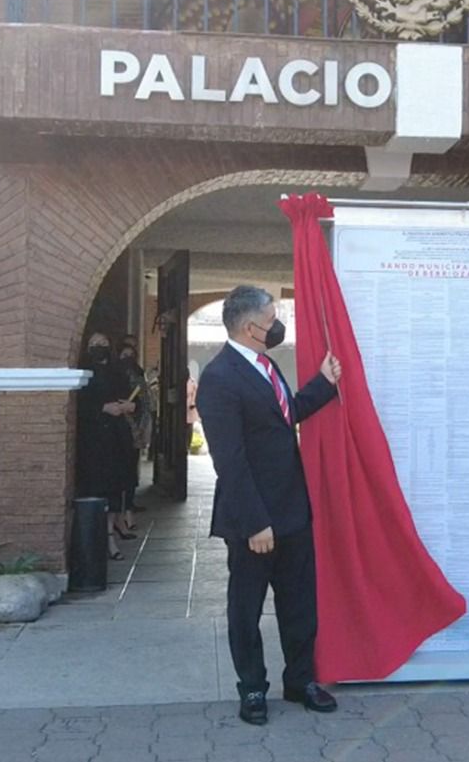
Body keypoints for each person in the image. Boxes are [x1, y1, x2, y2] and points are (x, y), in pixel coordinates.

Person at [196, 285, 343, 725]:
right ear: (249, 327)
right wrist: (256, 522)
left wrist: (324, 383)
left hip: (291, 509)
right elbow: (230, 460)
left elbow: (286, 414)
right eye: (272, 319)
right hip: (254, 519)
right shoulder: (219, 378)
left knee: (299, 604)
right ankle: (253, 689)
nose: (278, 326)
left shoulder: (266, 365)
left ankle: (300, 681)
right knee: (246, 609)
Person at [76, 333, 136, 560]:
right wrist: (103, 408)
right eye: (93, 344)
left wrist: (130, 406)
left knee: (114, 487)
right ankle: (96, 539)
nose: (98, 347)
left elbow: (133, 399)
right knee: (96, 486)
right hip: (93, 440)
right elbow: (79, 406)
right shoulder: (83, 372)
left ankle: (111, 535)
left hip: (117, 438)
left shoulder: (117, 372)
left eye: (102, 344)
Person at [116, 342, 151, 534]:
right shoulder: (113, 375)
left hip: (134, 430)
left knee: (130, 472)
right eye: (124, 354)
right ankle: (118, 514)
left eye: (131, 355)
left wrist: (142, 425)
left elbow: (145, 403)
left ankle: (128, 510)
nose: (127, 358)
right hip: (115, 431)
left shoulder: (139, 376)